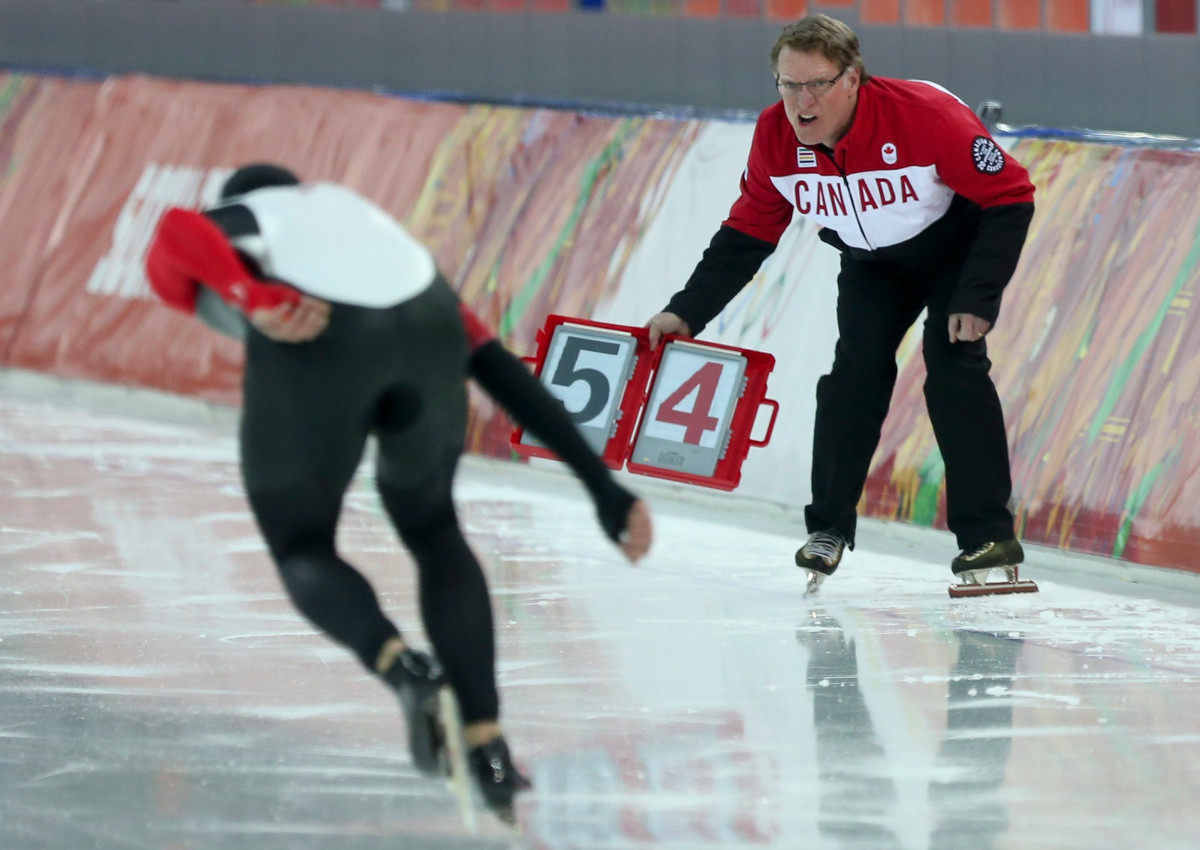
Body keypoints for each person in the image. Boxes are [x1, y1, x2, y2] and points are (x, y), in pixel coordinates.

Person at [144, 163, 653, 821]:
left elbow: (176, 233)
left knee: (301, 542)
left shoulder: (253, 216)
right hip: (428, 320)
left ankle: (402, 667)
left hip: (318, 336)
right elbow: (496, 366)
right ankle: (487, 743)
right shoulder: (361, 227)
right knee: (435, 529)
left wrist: (254, 296)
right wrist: (603, 490)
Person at [645, 15, 1034, 594]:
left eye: (817, 85)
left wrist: (977, 297)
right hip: (869, 262)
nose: (801, 102)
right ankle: (827, 527)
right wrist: (685, 311)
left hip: (953, 245)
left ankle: (988, 536)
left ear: (853, 79)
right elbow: (747, 233)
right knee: (854, 376)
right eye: (788, 84)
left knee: (953, 365)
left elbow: (1011, 195)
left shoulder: (924, 117)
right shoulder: (776, 136)